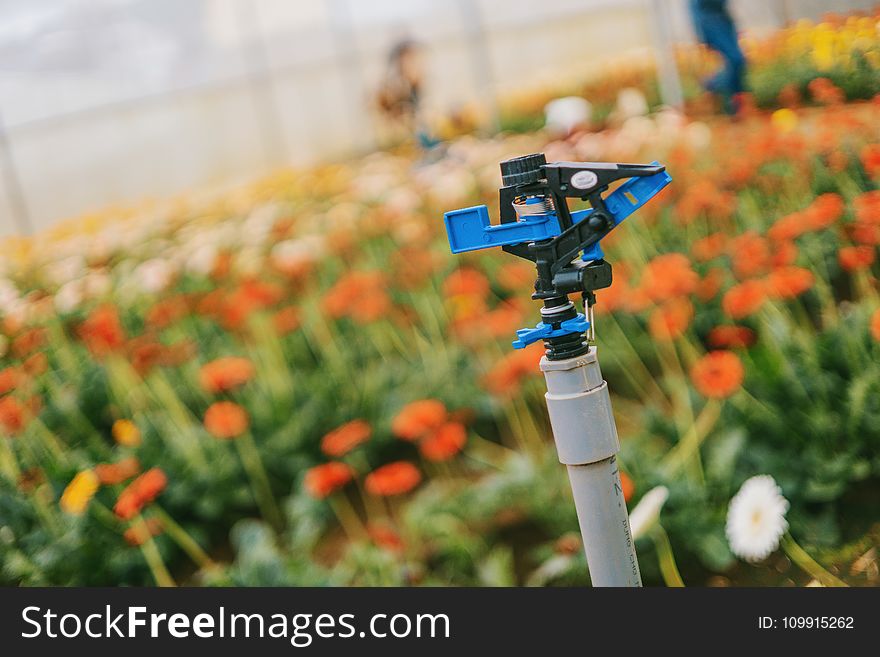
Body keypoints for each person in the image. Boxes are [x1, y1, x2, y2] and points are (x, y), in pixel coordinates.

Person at [375, 39, 438, 149]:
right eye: (409, 60)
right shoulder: (396, 88)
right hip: (403, 141)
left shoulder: (417, 87)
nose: (417, 64)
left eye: (416, 60)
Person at [689, 0, 747, 114]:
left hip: (724, 20)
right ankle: (712, 85)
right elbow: (694, 7)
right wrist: (702, 35)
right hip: (710, 22)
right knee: (736, 59)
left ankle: (734, 106)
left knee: (737, 62)